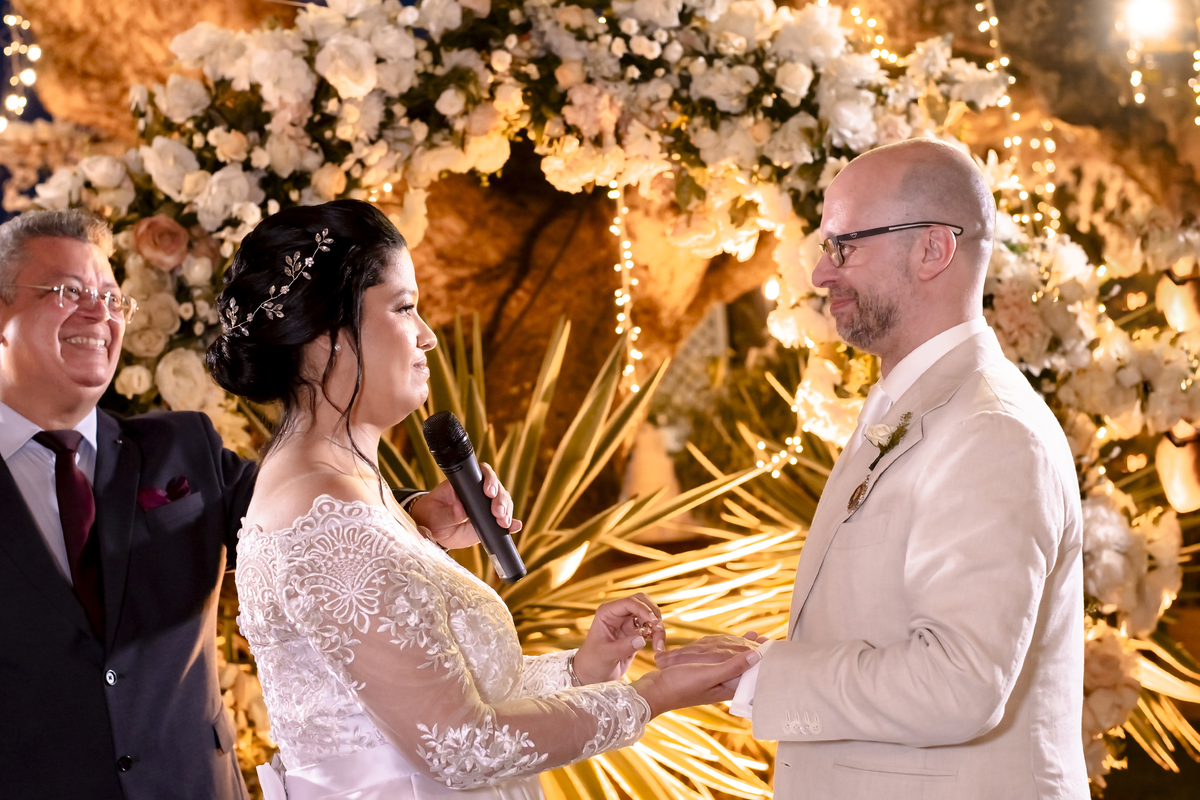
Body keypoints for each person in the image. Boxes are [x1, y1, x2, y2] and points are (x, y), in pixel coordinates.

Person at [207, 199, 758, 800]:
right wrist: (649, 699)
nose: (428, 335)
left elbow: (458, 700)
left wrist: (586, 668)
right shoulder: (324, 507)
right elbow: (461, 745)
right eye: (404, 308)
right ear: (327, 336)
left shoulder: (350, 487)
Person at [0, 208, 523, 800]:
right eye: (69, 291)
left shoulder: (181, 448)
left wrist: (417, 513)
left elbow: (300, 513)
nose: (99, 311)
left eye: (112, 297)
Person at [656, 139, 1088, 799]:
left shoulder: (991, 430)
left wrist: (765, 676)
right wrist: (752, 659)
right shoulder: (905, 402)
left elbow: (959, 685)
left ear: (933, 250)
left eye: (846, 246)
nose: (823, 275)